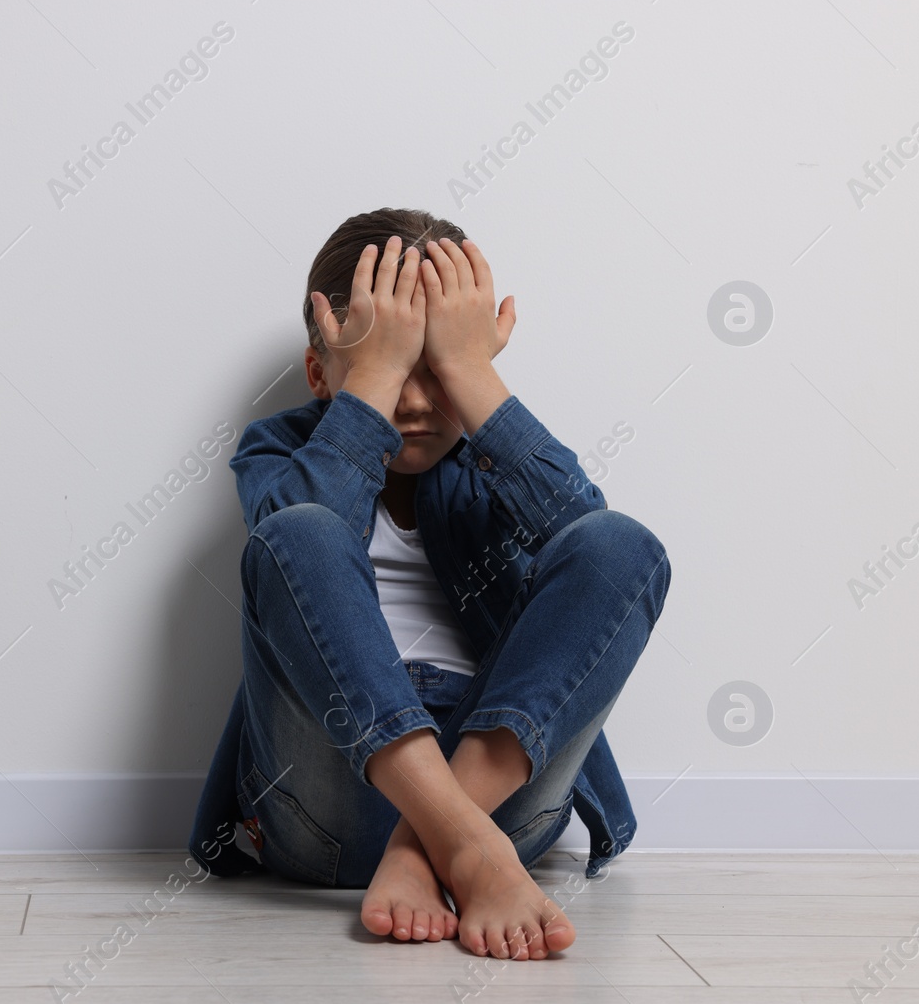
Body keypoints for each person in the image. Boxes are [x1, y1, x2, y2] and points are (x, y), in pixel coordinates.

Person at [187, 208, 671, 960]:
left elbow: (594, 551)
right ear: (320, 372)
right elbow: (290, 545)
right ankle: (457, 843)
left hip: (501, 791)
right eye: (390, 367)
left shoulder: (491, 465)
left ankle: (431, 847)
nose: (413, 401)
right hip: (333, 795)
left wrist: (474, 378)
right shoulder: (278, 451)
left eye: (433, 370)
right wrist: (370, 385)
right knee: (300, 531)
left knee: (621, 541)